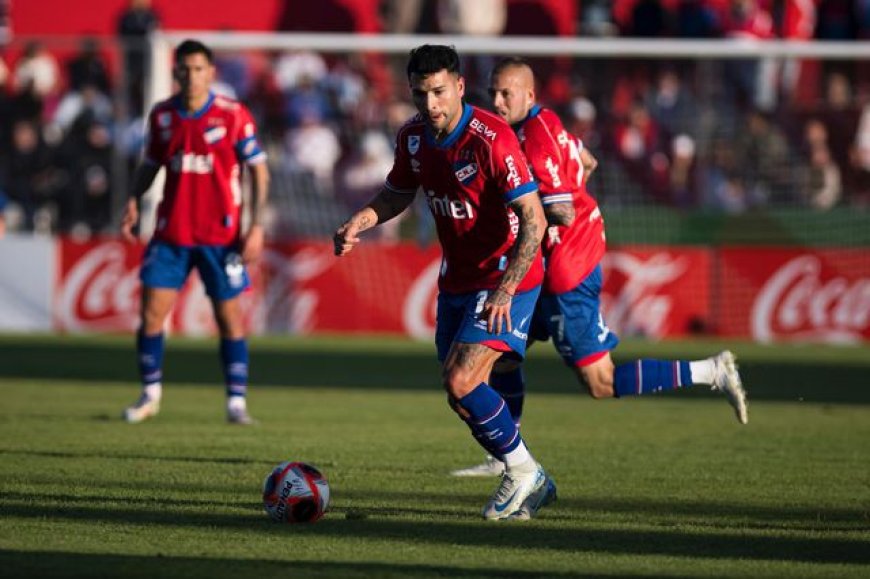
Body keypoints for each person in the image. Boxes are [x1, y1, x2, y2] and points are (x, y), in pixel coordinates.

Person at [451, 57, 749, 481]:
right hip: (549, 263)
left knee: (600, 383)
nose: (497, 101)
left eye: (506, 94)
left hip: (566, 271)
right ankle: (505, 458)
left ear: (529, 95)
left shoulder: (534, 138)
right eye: (494, 93)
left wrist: (516, 211)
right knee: (502, 359)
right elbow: (587, 162)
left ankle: (711, 371)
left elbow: (563, 211)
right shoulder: (546, 122)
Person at [333, 45, 555, 520]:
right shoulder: (413, 136)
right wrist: (362, 220)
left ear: (457, 86)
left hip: (506, 276)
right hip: (458, 278)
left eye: (438, 92)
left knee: (462, 379)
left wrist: (506, 289)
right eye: (420, 93)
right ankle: (530, 475)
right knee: (460, 396)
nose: (429, 103)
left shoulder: (491, 139)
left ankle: (522, 471)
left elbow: (533, 220)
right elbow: (397, 193)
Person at [120, 39, 269, 425]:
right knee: (151, 313)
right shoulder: (163, 116)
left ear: (211, 73)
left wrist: (256, 225)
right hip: (172, 233)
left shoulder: (232, 114)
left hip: (222, 237)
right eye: (184, 70)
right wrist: (134, 198)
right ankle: (149, 394)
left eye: (199, 69)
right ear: (175, 73)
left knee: (229, 319)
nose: (191, 76)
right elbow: (150, 163)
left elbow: (259, 170)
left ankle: (236, 402)